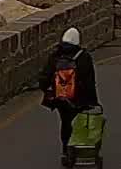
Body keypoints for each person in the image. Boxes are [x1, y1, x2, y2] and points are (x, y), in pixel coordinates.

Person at [40, 27, 99, 166]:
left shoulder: (55, 56)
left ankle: (66, 150)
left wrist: (48, 91)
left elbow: (45, 77)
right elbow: (89, 81)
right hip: (79, 98)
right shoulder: (84, 56)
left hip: (61, 98)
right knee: (78, 123)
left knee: (65, 123)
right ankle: (78, 150)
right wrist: (93, 100)